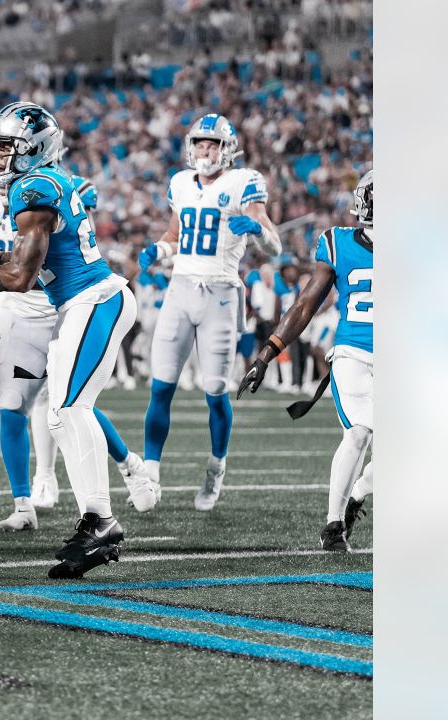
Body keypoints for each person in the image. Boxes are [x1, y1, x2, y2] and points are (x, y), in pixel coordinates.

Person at [0, 102, 137, 579]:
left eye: (7, 146)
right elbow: (37, 266)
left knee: (67, 410)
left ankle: (102, 519)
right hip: (83, 302)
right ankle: (98, 519)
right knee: (64, 414)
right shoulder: (45, 183)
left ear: (33, 148)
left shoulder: (33, 186)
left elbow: (22, 278)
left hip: (96, 300)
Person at [138, 114, 282, 511]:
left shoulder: (244, 183)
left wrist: (255, 230)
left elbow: (276, 247)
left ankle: (216, 468)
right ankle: (150, 472)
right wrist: (158, 251)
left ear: (227, 148)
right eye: (200, 143)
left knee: (215, 391)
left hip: (221, 294)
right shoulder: (181, 183)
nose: (205, 150)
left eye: (212, 144)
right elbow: (174, 236)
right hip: (180, 289)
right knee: (161, 385)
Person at [238, 170, 373, 552]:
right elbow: (304, 306)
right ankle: (333, 524)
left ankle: (359, 492)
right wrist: (266, 354)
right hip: (354, 356)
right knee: (360, 433)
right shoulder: (338, 243)